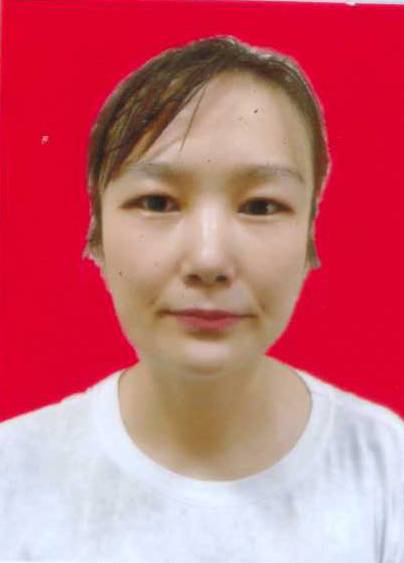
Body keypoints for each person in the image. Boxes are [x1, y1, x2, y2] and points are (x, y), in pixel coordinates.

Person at [0, 36, 403, 562]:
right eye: (157, 202)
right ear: (96, 233)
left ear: (310, 235)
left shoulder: (386, 470)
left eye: (260, 206)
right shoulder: (15, 475)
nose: (209, 259)